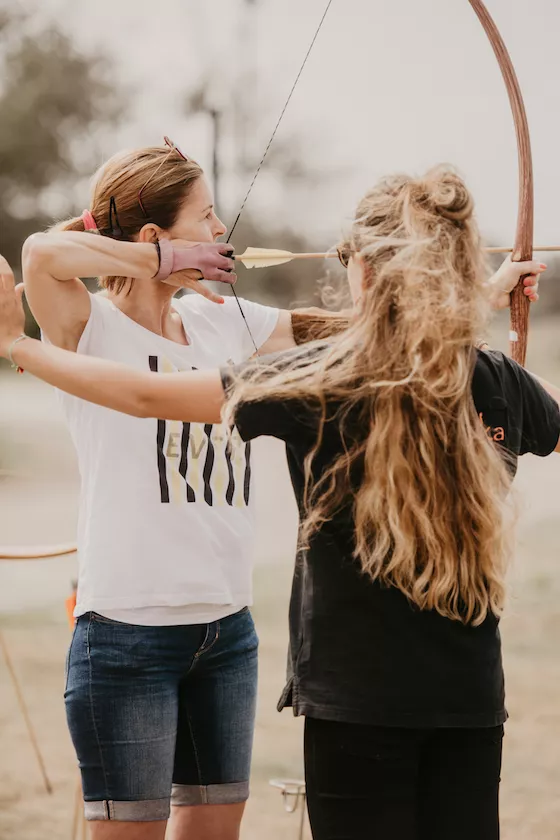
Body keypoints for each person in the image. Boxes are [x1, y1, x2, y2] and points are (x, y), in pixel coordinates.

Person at [0, 165, 554, 840]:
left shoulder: (226, 321)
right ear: (153, 234)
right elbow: (42, 256)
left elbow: (368, 329)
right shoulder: (90, 327)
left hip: (225, 633)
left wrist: (475, 294)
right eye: (205, 217)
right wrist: (161, 262)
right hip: (127, 631)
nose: (219, 231)